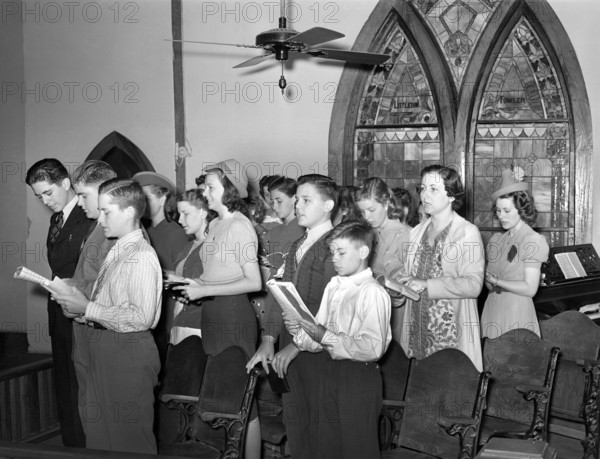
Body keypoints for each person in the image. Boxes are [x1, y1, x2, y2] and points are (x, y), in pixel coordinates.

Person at [53, 178, 162, 454]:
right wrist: (80, 310)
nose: (100, 219)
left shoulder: (141, 255)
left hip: (128, 354)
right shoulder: (118, 249)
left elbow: (141, 317)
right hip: (105, 348)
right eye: (99, 210)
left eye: (107, 211)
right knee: (103, 443)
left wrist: (88, 309)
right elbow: (111, 304)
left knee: (130, 444)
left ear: (128, 212)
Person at [246, 174, 339, 459]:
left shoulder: (335, 244)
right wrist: (269, 338)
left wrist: (296, 345)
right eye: (296, 199)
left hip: (320, 351)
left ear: (328, 205)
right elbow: (280, 293)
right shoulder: (298, 244)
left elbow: (333, 306)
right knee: (297, 428)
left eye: (306, 200)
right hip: (290, 347)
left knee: (321, 430)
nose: (298, 205)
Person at [174, 164, 262, 459]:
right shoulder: (215, 225)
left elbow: (254, 281)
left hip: (235, 319)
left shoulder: (240, 225)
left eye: (211, 187)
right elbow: (214, 277)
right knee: (225, 401)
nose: (205, 192)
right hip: (214, 316)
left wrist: (204, 290)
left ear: (230, 189)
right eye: (204, 187)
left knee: (242, 405)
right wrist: (187, 284)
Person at [286, 219, 391, 458]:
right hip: (328, 372)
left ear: (363, 251)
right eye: (332, 252)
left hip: (357, 378)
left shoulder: (372, 292)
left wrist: (323, 334)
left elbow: (371, 348)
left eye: (341, 252)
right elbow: (317, 337)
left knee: (356, 448)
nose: (334, 258)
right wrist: (300, 330)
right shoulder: (334, 285)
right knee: (328, 445)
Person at [26, 158, 93, 448]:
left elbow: (91, 266)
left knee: (82, 389)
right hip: (59, 313)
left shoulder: (90, 215)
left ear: (66, 183)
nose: (44, 200)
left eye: (48, 193)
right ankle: (71, 448)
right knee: (64, 387)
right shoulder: (57, 220)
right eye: (39, 196)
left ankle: (87, 448)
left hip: (82, 309)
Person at [399, 165, 484, 371]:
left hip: (449, 330)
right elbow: (412, 276)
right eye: (422, 188)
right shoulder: (417, 232)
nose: (425, 195)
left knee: (447, 389)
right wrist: (401, 287)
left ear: (451, 196)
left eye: (433, 189)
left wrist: (427, 284)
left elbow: (473, 286)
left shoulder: (467, 232)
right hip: (416, 325)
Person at [63, 160, 117, 441]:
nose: (79, 201)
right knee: (93, 423)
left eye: (83, 195)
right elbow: (89, 277)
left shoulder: (116, 234)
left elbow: (115, 292)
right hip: (85, 335)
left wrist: (78, 297)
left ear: (104, 191)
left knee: (113, 431)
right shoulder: (96, 229)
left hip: (103, 337)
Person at [481, 168, 549, 338]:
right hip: (492, 310)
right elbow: (490, 286)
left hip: (516, 313)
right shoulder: (497, 240)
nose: (501, 216)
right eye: (498, 211)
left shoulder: (532, 240)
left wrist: (497, 280)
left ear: (521, 209)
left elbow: (530, 288)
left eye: (507, 210)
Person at [132, 171, 188, 367]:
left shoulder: (176, 232)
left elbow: (183, 281)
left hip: (168, 315)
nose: (141, 202)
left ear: (164, 197)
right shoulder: (143, 233)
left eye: (146, 197)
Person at [356, 177, 410, 344]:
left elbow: (410, 281)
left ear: (386, 203)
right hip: (369, 307)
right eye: (362, 212)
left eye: (371, 210)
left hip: (396, 310)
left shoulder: (406, 235)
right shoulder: (367, 233)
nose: (367, 217)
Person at [262, 176, 305, 279]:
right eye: (272, 202)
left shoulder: (304, 232)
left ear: (294, 199)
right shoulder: (273, 232)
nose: (274, 207)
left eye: (279, 201)